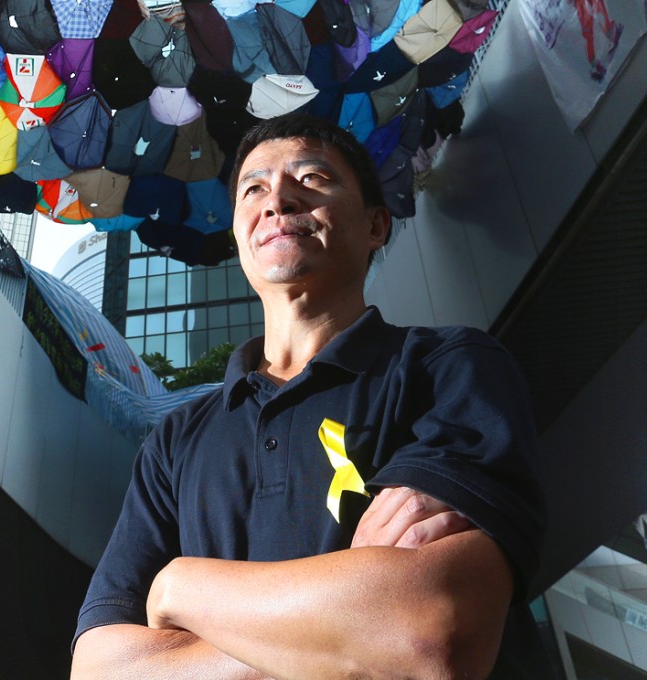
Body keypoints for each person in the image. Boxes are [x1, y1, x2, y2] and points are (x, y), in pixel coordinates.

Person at [71, 114, 548, 679]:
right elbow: (100, 670)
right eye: (254, 188)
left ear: (375, 224)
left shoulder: (450, 368)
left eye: (313, 179)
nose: (277, 201)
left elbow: (427, 632)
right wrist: (347, 626)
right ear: (238, 236)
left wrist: (183, 589)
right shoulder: (174, 442)